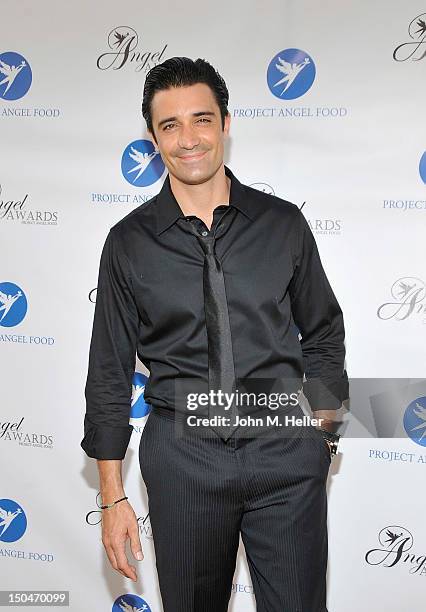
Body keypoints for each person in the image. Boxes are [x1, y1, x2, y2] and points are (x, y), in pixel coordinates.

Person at [81, 56, 349, 612]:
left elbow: (323, 332)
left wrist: (322, 437)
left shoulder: (282, 225)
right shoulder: (128, 243)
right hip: (184, 459)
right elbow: (109, 368)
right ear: (153, 138)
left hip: (285, 452)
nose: (188, 140)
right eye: (170, 125)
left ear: (226, 124)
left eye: (201, 119)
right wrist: (111, 497)